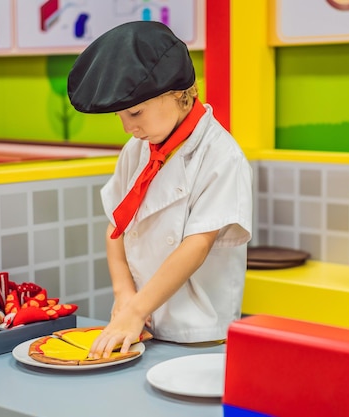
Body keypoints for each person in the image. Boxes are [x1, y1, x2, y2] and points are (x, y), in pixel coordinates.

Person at [67, 21, 253, 358]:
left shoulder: (221, 156)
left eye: (135, 112)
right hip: (142, 328)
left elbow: (196, 246)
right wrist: (124, 295)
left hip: (200, 334)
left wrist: (136, 309)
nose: (128, 127)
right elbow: (115, 227)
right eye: (120, 115)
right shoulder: (136, 150)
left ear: (179, 93)